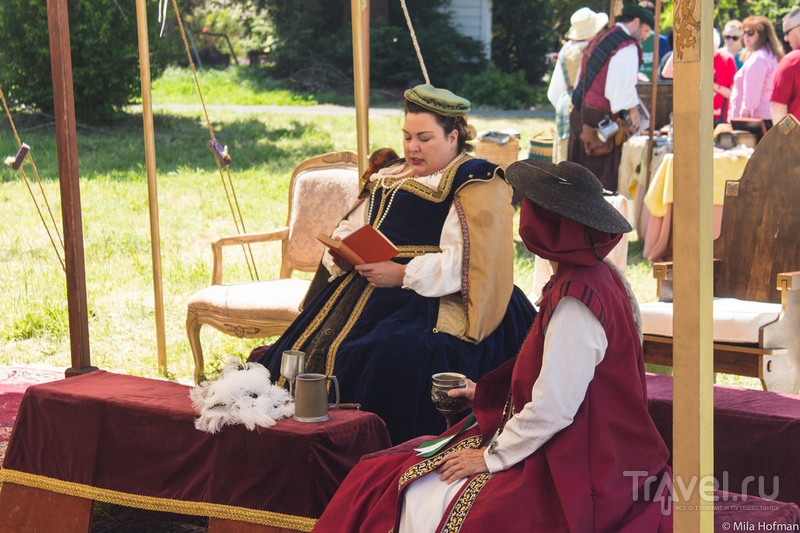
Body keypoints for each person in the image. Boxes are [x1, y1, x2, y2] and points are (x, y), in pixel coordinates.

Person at [313, 159, 672, 532]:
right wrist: (488, 394)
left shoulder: (577, 302)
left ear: (545, 223)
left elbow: (556, 408)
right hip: (583, 442)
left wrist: (490, 457)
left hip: (581, 462)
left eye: (529, 206)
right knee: (382, 473)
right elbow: (567, 382)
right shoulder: (596, 277)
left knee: (407, 493)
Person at [251, 84, 536, 444]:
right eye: (407, 137)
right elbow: (355, 225)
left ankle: (367, 446)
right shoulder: (391, 172)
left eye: (425, 138)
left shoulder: (473, 180)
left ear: (453, 137)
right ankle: (302, 439)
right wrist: (343, 252)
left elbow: (469, 260)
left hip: (438, 297)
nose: (412, 147)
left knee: (389, 355)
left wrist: (403, 273)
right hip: (366, 286)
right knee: (313, 344)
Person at [567, 2, 655, 192]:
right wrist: (633, 111)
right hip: (600, 123)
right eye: (646, 31)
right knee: (599, 187)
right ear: (637, 22)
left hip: (580, 114)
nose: (645, 37)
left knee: (576, 185)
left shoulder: (603, 36)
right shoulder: (626, 46)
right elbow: (617, 93)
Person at [547, 7, 608, 163]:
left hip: (567, 104)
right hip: (595, 108)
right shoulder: (600, 51)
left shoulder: (566, 50)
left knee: (565, 156)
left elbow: (554, 92)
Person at [661, 28, 736, 125]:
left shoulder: (726, 59)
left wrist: (713, 85)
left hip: (719, 120)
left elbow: (733, 94)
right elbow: (666, 73)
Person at [727, 15, 784, 128]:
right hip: (765, 119)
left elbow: (750, 100)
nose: (746, 37)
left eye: (750, 33)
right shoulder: (772, 56)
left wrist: (742, 123)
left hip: (754, 121)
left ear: (762, 35)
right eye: (744, 33)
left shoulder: (759, 59)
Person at [771, 8, 800, 125]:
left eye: (787, 32)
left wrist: (786, 141)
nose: (785, 38)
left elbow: (778, 110)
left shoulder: (792, 61)